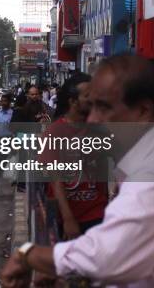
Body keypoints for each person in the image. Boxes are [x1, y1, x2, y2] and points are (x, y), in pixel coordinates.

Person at [0, 55, 154, 287]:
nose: (92, 119)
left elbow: (103, 258)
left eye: (103, 107)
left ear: (143, 110)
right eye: (91, 106)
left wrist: (27, 254)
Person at [44, 73, 108, 239]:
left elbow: (102, 168)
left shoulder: (98, 130)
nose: (93, 99)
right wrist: (68, 219)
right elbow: (56, 180)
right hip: (64, 214)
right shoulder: (55, 132)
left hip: (96, 212)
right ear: (73, 101)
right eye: (87, 95)